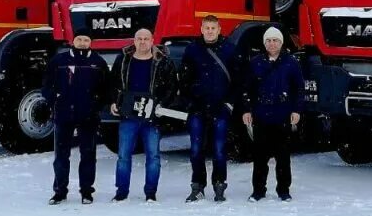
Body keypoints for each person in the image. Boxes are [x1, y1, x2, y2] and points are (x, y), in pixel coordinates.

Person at [110, 28, 178, 202]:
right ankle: (121, 192)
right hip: (128, 116)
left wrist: (161, 105)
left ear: (152, 40)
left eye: (146, 39)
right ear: (134, 41)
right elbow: (112, 83)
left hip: (152, 117)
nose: (142, 42)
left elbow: (172, 86)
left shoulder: (163, 62)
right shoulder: (123, 60)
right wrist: (113, 102)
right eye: (139, 39)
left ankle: (150, 193)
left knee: (153, 156)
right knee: (123, 156)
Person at [178, 15, 239, 203]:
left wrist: (229, 103)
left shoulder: (229, 49)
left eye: (213, 28)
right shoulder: (192, 50)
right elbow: (184, 79)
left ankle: (219, 185)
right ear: (201, 29)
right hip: (197, 108)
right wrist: (190, 102)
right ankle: (198, 186)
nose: (210, 31)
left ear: (219, 29)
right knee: (196, 149)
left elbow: (238, 79)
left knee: (219, 149)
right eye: (207, 28)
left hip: (220, 108)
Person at [44, 34, 111, 205]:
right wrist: (55, 100)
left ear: (91, 42)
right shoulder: (59, 61)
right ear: (72, 41)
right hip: (64, 114)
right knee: (61, 155)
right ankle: (60, 191)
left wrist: (96, 105)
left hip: (88, 116)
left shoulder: (98, 62)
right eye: (79, 39)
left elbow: (106, 89)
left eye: (86, 40)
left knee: (88, 155)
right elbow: (46, 86)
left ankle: (87, 191)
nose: (82, 43)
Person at [241, 27, 305, 202]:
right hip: (261, 115)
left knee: (283, 157)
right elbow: (247, 89)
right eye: (268, 40)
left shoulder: (290, 62)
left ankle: (284, 190)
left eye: (275, 40)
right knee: (260, 157)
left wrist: (297, 110)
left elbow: (299, 88)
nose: (272, 43)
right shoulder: (256, 62)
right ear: (264, 43)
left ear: (281, 42)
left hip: (282, 115)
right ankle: (258, 190)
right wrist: (247, 109)